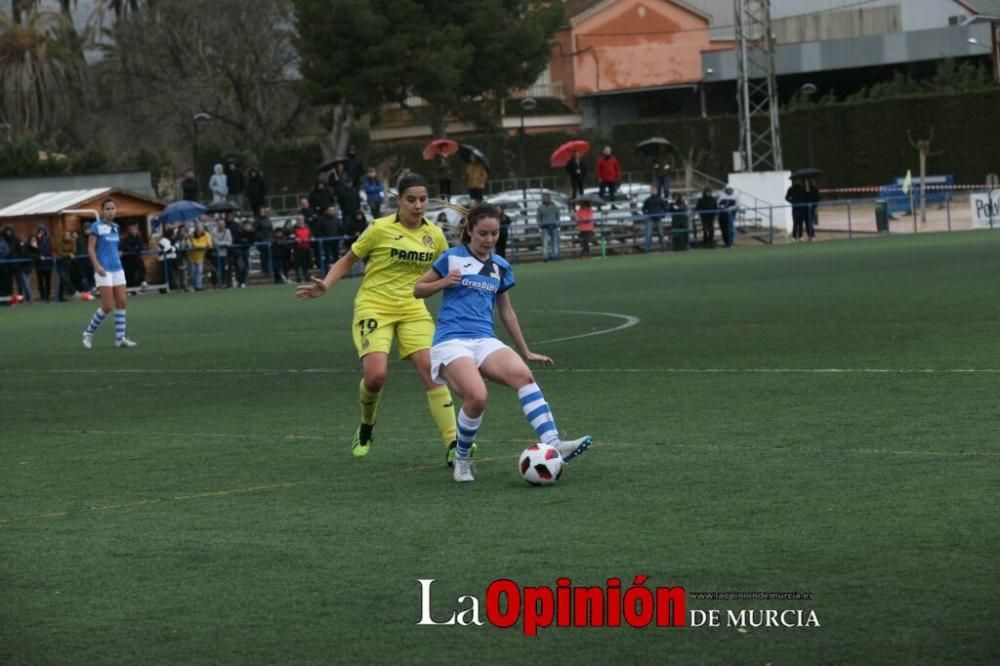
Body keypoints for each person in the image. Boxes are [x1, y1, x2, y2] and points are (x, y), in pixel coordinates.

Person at [295, 172, 468, 466]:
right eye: (411, 199)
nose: (417, 205)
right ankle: (366, 425)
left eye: (423, 199)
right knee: (375, 376)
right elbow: (348, 259)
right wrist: (326, 283)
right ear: (398, 200)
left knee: (432, 371)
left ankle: (454, 443)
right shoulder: (378, 228)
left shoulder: (435, 236)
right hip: (374, 306)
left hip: (413, 308)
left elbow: (450, 269)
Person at [413, 203, 593, 483]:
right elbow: (417, 289)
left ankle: (553, 442)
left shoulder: (500, 266)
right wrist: (444, 282)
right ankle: (462, 459)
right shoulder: (452, 257)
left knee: (523, 374)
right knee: (478, 396)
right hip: (451, 341)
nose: (489, 239)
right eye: (483, 233)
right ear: (470, 230)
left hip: (484, 339)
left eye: (494, 233)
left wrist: (526, 350)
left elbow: (507, 312)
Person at [81, 199, 136, 348]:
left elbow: (112, 247)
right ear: (102, 211)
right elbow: (91, 248)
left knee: (122, 302)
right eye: (107, 208)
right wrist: (97, 266)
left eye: (113, 208)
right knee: (107, 306)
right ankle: (88, 333)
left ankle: (120, 339)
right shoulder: (96, 226)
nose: (110, 211)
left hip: (117, 269)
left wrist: (117, 254)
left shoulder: (116, 227)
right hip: (103, 270)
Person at [29, 226, 55, 301]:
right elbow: (35, 249)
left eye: (43, 231)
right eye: (40, 231)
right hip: (39, 264)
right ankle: (42, 296)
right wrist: (38, 242)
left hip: (48, 262)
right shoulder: (35, 239)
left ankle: (47, 296)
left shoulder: (48, 239)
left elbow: (50, 249)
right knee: (40, 281)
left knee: (48, 280)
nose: (41, 232)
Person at [120, 222, 147, 290]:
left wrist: (135, 248)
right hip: (127, 260)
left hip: (137, 258)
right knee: (129, 273)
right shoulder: (125, 238)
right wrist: (134, 248)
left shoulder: (139, 238)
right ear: (129, 230)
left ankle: (142, 282)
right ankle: (130, 287)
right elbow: (125, 247)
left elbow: (141, 246)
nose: (134, 230)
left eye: (135, 229)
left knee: (141, 269)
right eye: (132, 229)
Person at [535, 192, 561, 261]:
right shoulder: (540, 208)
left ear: (549, 198)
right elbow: (538, 218)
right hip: (545, 227)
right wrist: (540, 225)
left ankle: (555, 255)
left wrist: (558, 223)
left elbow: (558, 216)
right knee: (545, 243)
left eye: (546, 198)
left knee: (555, 242)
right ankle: (545, 256)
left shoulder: (554, 207)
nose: (545, 199)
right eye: (544, 198)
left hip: (554, 226)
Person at [640, 186, 668, 252]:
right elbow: (643, 208)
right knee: (648, 234)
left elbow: (665, 208)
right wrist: (646, 213)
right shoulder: (648, 200)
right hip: (650, 218)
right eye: (652, 191)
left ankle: (663, 247)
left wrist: (663, 215)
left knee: (661, 233)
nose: (653, 192)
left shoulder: (660, 199)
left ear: (657, 191)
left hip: (658, 218)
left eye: (654, 191)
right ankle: (647, 249)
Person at [188, 221, 213, 290]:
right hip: (191, 256)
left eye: (200, 230)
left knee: (199, 271)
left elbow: (210, 245)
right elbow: (193, 244)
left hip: (200, 256)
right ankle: (193, 285)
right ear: (195, 229)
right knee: (192, 272)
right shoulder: (191, 235)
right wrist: (203, 246)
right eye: (197, 229)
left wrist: (200, 246)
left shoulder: (207, 235)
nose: (198, 231)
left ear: (202, 230)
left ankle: (198, 286)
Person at [56, 229, 77, 300]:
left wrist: (69, 254)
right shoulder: (59, 242)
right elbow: (60, 252)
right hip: (61, 263)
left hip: (69, 263)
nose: (68, 236)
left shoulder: (73, 242)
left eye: (69, 235)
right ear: (63, 236)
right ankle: (62, 295)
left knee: (66, 279)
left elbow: (74, 251)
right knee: (63, 278)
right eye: (66, 235)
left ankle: (61, 296)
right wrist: (69, 254)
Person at [786, 177, 808, 243]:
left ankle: (800, 237)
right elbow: (786, 197)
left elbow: (806, 196)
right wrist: (792, 201)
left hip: (801, 208)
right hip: (795, 208)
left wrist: (803, 202)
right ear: (793, 181)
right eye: (795, 180)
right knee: (795, 223)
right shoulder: (791, 189)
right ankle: (794, 237)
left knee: (801, 223)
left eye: (797, 180)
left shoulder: (802, 188)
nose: (796, 181)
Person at [292, 215, 313, 283]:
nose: (300, 220)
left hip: (306, 247)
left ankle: (306, 277)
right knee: (298, 263)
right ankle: (298, 278)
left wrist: (311, 238)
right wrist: (295, 238)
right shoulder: (294, 228)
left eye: (301, 219)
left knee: (306, 263)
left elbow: (310, 235)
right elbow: (291, 236)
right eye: (299, 219)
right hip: (298, 248)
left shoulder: (307, 227)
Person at [804, 178, 820, 242]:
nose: (811, 183)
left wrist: (815, 206)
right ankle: (809, 236)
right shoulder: (809, 189)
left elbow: (817, 199)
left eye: (812, 182)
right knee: (807, 222)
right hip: (807, 207)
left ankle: (813, 236)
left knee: (810, 222)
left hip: (812, 207)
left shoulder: (815, 190)